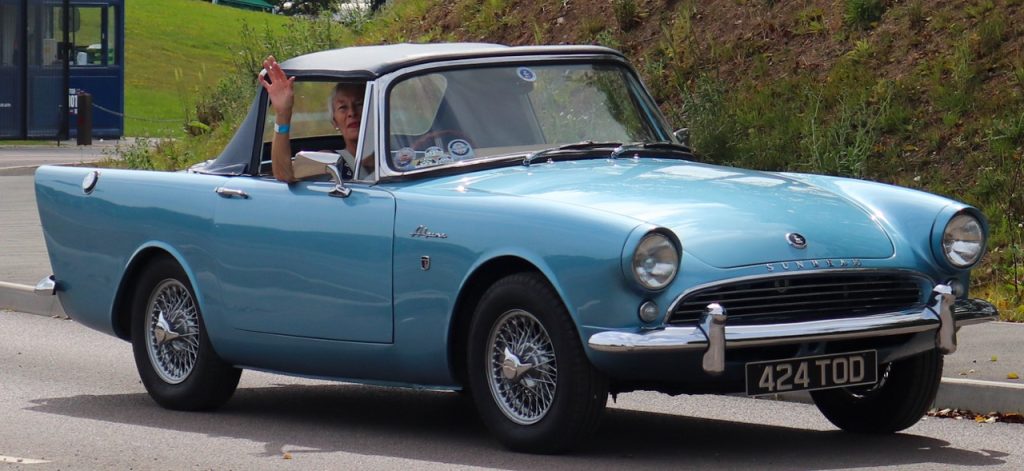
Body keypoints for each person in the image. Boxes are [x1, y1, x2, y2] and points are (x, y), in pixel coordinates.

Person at [260, 55, 373, 183]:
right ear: (334, 121)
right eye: (343, 107)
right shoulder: (330, 160)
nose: (352, 113)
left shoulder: (393, 158)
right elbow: (284, 174)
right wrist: (282, 113)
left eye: (360, 104)